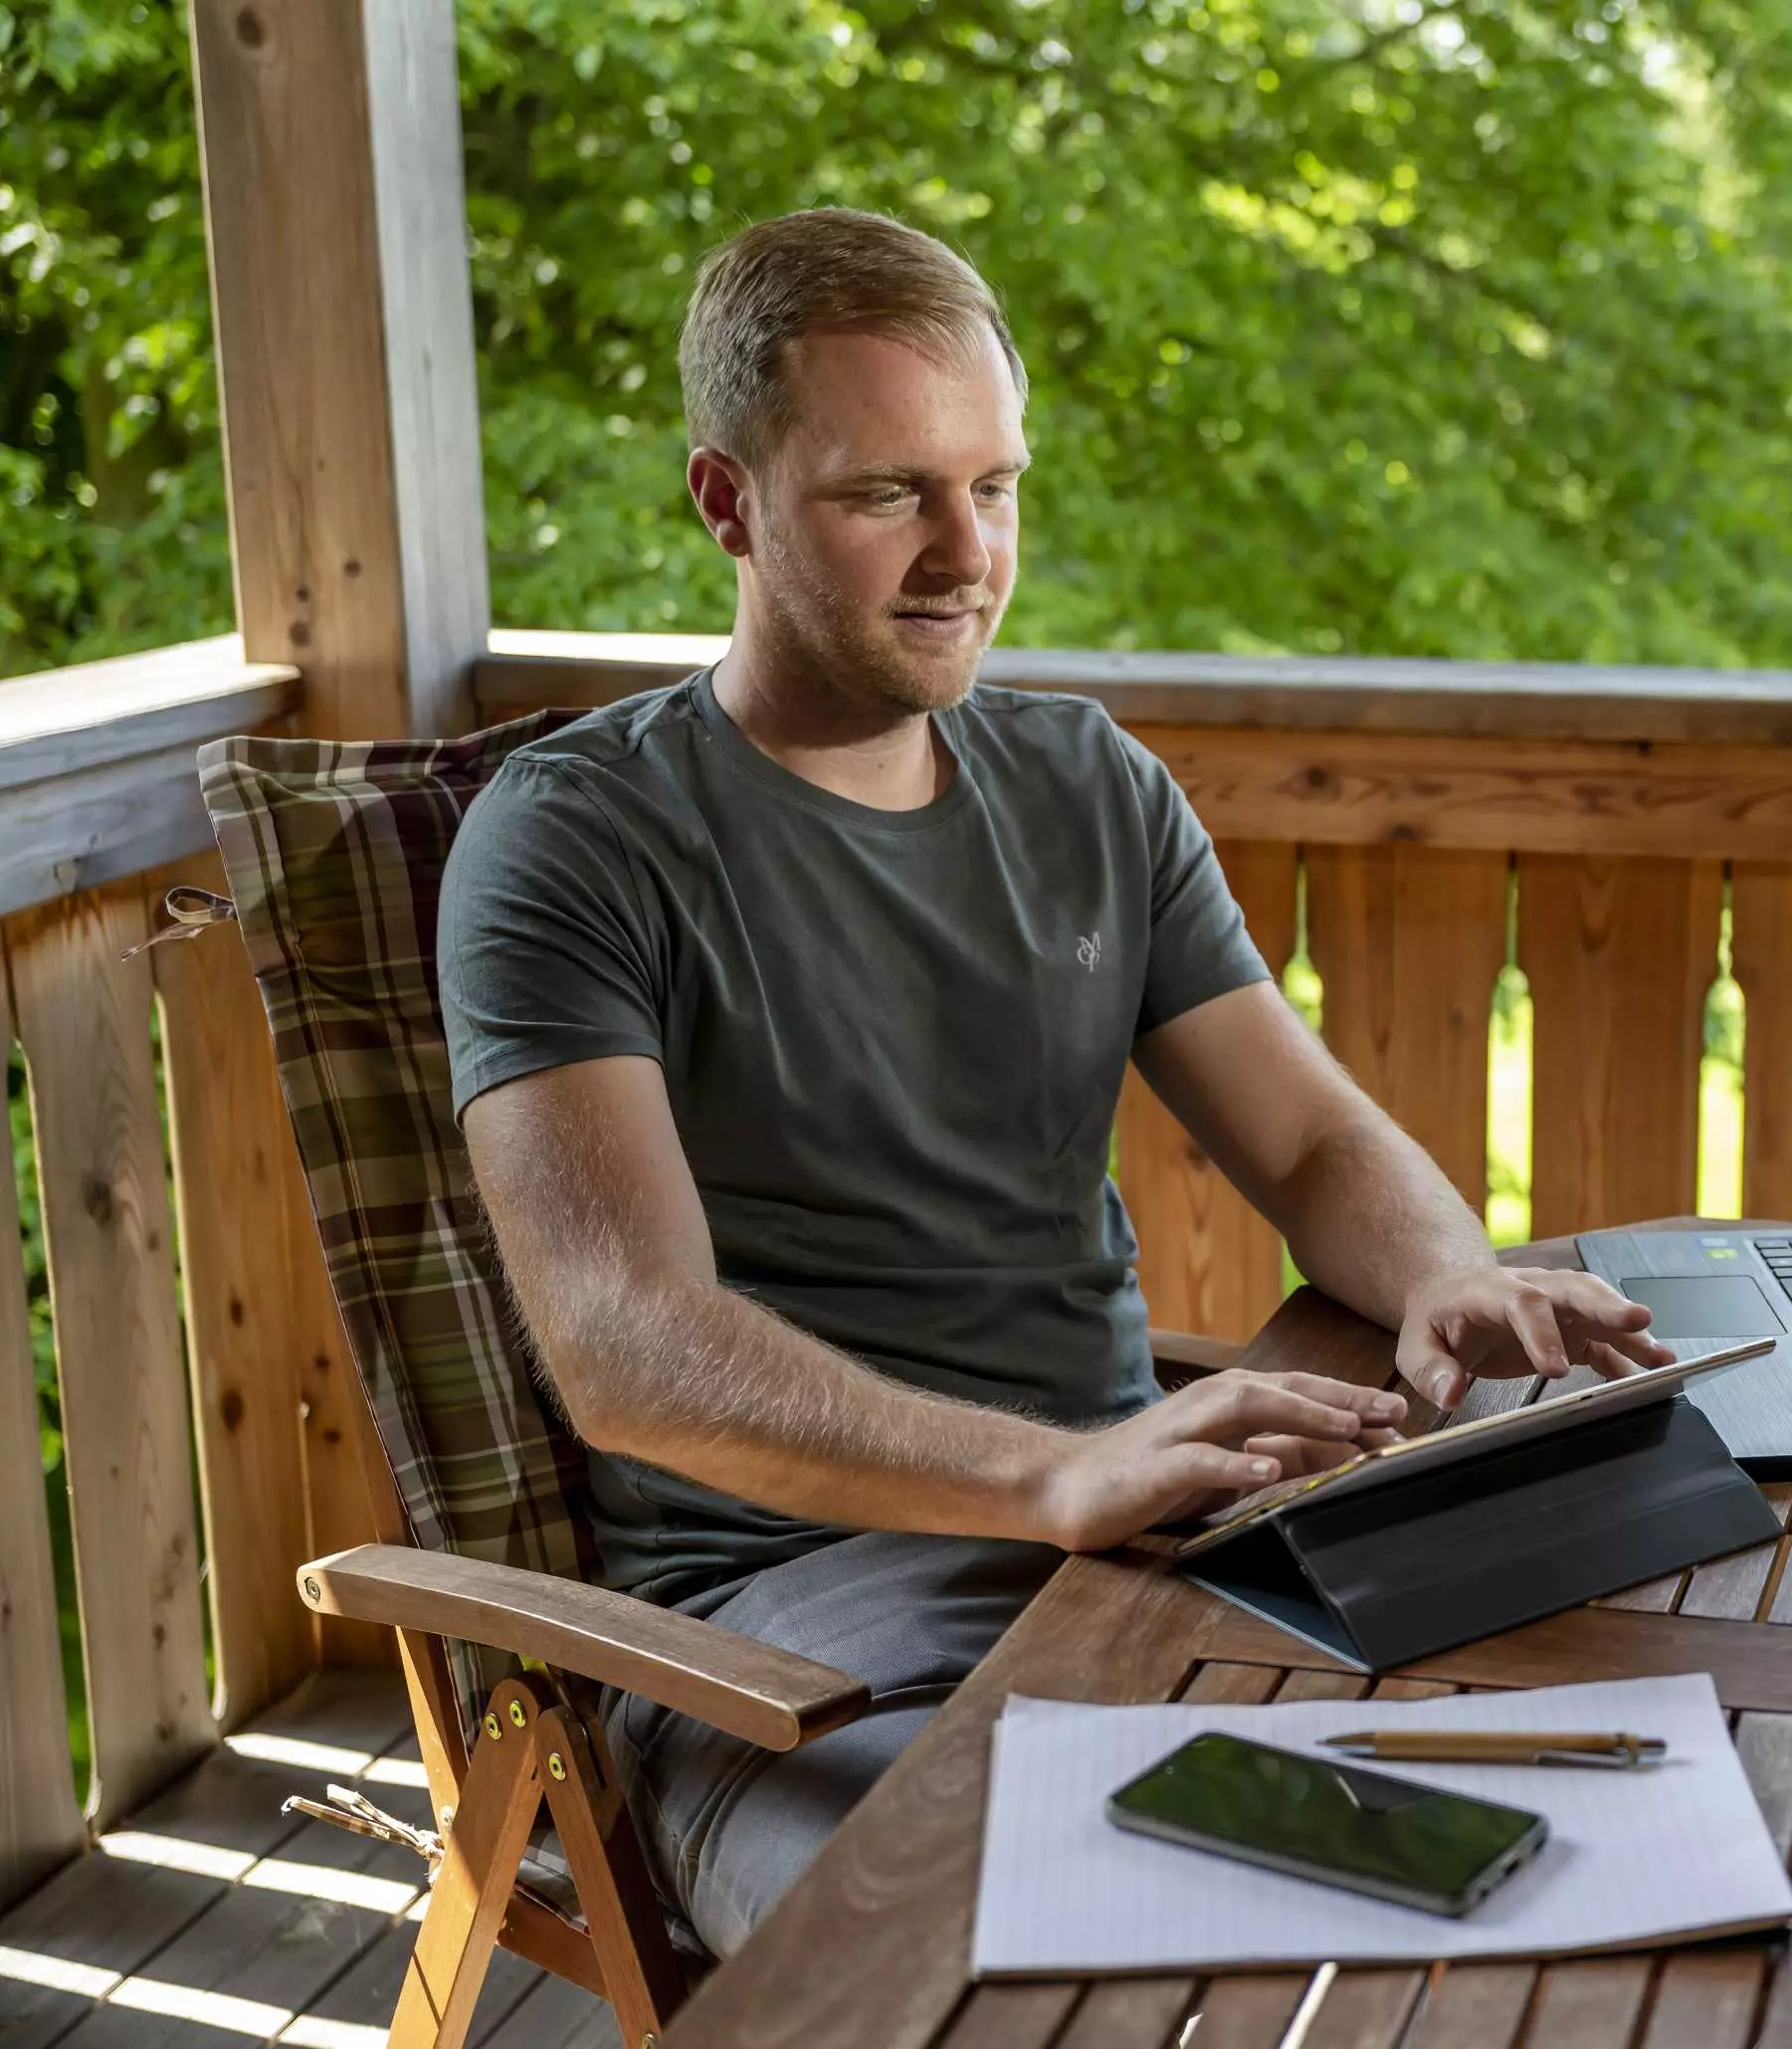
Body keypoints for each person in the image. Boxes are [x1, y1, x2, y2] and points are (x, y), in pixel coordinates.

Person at [438, 206, 1670, 1958]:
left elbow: (1313, 1136)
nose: (966, 554)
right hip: (790, 1641)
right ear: (727, 502)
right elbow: (630, 1345)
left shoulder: (1088, 783)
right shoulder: (578, 840)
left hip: (1157, 1554)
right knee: (1007, 1941)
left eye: (995, 486)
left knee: (1560, 1815)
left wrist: (1453, 1271)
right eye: (889, 496)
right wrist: (1048, 1477)